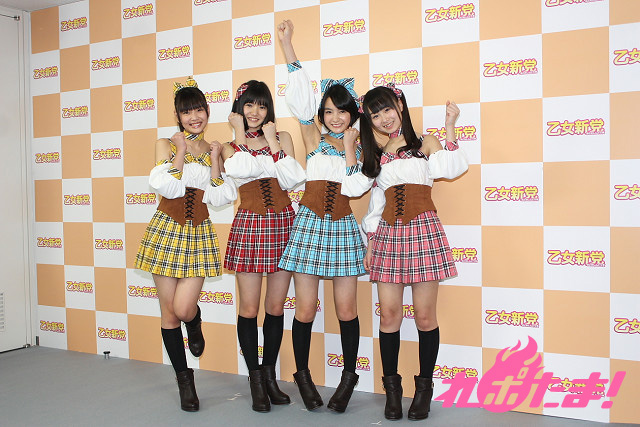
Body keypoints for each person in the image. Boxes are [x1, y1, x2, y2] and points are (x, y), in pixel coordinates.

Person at [342, 85, 468, 420]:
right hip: (388, 237)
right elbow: (366, 197)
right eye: (374, 115)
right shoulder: (376, 156)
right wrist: (350, 148)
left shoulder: (424, 143)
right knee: (389, 316)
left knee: (425, 316)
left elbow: (452, 168)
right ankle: (392, 390)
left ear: (400, 105)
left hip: (423, 232)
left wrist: (450, 127)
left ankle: (424, 389)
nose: (383, 118)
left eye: (387, 109)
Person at [277, 20, 367, 413]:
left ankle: (348, 378)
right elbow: (300, 97)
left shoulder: (362, 149)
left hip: (343, 228)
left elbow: (357, 187)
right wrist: (288, 46)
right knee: (305, 309)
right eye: (328, 111)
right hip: (309, 226)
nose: (334, 117)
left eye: (341, 111)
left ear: (352, 113)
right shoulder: (312, 137)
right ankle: (302, 375)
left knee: (347, 310)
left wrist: (349, 147)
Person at [135, 78, 237, 412]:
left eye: (198, 110)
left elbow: (221, 196)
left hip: (198, 233)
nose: (194, 117)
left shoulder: (214, 149)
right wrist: (179, 151)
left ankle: (194, 320)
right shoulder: (165, 144)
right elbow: (167, 187)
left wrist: (217, 159)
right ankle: (184, 380)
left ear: (207, 111)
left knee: (182, 309)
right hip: (166, 231)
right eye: (186, 111)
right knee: (168, 313)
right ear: (178, 116)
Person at [221, 80, 306, 412]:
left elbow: (292, 178)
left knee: (275, 307)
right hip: (250, 225)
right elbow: (241, 169)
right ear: (238, 109)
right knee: (249, 308)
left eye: (261, 105)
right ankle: (255, 379)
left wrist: (272, 141)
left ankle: (270, 377)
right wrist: (240, 134)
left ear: (269, 109)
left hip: (283, 223)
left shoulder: (282, 137)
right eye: (248, 104)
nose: (255, 111)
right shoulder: (230, 146)